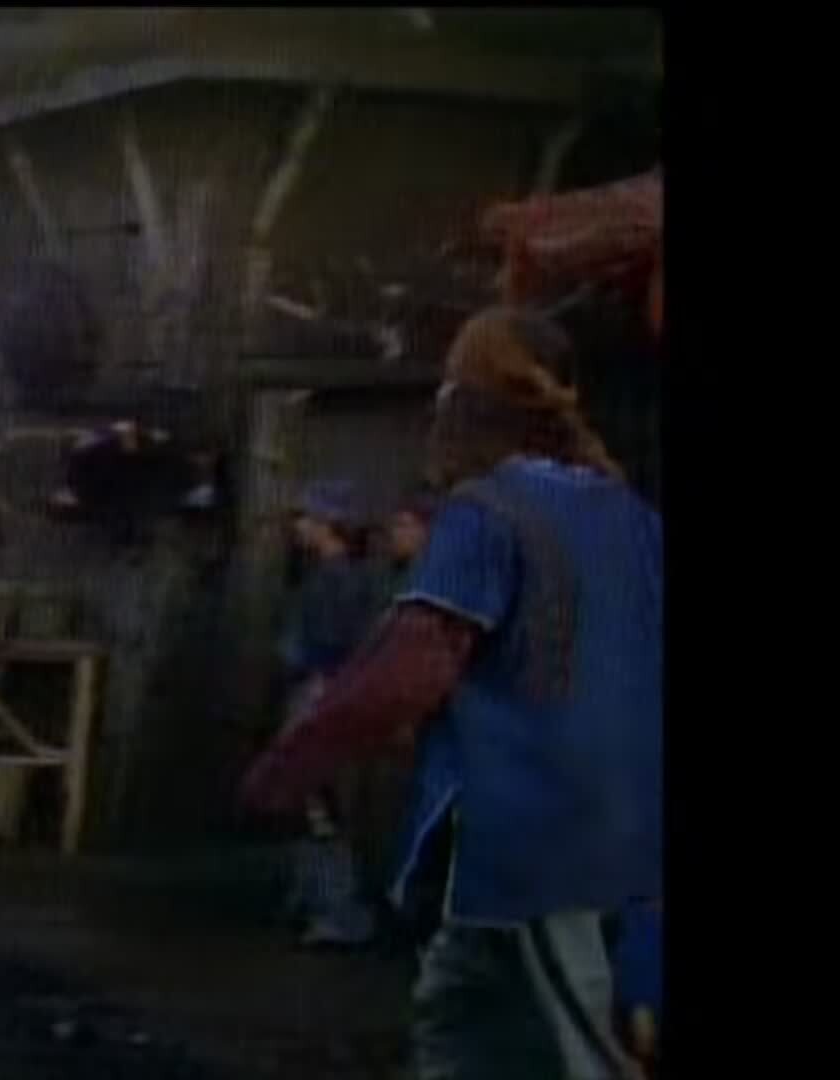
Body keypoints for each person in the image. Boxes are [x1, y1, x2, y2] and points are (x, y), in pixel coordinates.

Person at [240, 306, 660, 1080]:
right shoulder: (630, 518)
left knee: (580, 1056)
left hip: (548, 846)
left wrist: (290, 762)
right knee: (460, 1035)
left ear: (466, 408)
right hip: (584, 844)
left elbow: (408, 671)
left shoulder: (488, 515)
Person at [276, 480, 386, 948]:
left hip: (322, 691)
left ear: (330, 525)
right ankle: (314, 897)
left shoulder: (336, 580)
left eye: (307, 517)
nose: (298, 526)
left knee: (321, 806)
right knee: (311, 803)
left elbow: (333, 645)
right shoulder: (332, 576)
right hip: (323, 690)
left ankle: (339, 912)